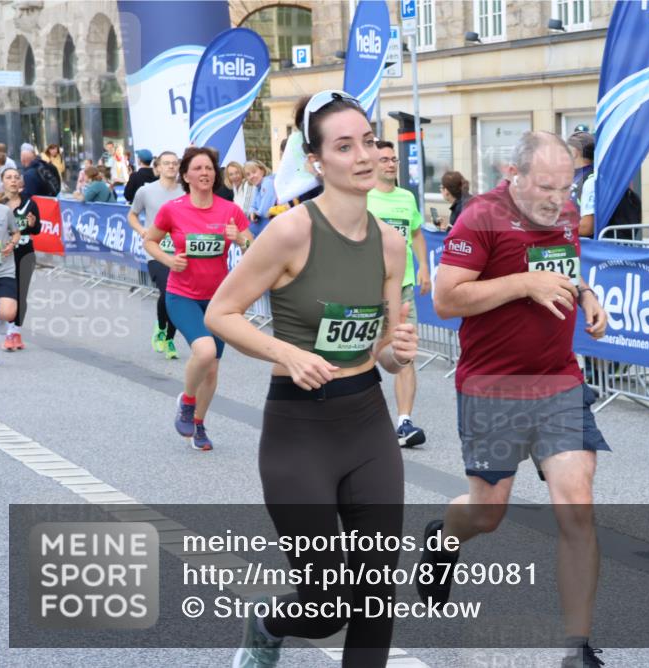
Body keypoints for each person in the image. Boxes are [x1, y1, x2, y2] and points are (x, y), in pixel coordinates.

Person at [204, 89, 417, 668]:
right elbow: (220, 313)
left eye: (369, 141)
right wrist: (287, 353)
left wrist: (395, 352)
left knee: (374, 598)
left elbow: (383, 350)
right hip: (299, 429)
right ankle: (270, 624)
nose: (365, 155)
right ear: (317, 161)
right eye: (345, 146)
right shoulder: (290, 232)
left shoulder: (392, 245)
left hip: (367, 420)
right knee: (325, 607)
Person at [424, 131, 610, 668]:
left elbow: (566, 271)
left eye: (566, 185)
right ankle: (444, 537)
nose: (558, 198)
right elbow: (446, 297)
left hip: (558, 379)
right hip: (492, 384)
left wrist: (587, 295)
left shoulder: (568, 213)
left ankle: (578, 647)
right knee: (487, 513)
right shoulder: (479, 217)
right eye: (546, 186)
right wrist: (522, 282)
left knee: (577, 504)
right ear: (514, 174)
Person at [143, 146, 254, 451]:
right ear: (186, 175)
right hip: (182, 295)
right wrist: (168, 261)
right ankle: (187, 402)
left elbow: (253, 250)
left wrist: (239, 239)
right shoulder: (173, 209)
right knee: (204, 352)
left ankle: (199, 423)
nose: (204, 173)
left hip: (219, 299)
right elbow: (149, 241)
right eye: (198, 168)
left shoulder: (229, 210)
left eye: (209, 168)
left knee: (213, 368)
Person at [368, 139, 431, 447]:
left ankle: (404, 422)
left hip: (402, 288)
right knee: (363, 355)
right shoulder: (363, 198)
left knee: (404, 354)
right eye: (384, 160)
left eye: (394, 159)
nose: (391, 164)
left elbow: (417, 232)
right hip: (366, 289)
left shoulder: (406, 198)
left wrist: (423, 267)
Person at [130, 151, 185, 360]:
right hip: (156, 251)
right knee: (167, 290)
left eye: (174, 163)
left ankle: (169, 337)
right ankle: (162, 327)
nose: (171, 166)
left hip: (180, 251)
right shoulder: (146, 191)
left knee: (177, 297)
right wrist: (142, 231)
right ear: (158, 168)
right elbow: (132, 215)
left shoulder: (185, 192)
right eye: (166, 163)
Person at [0, 167, 41, 352]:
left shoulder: (30, 204)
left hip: (24, 252)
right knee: (2, 293)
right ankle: (3, 322)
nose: (13, 181)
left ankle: (13, 332)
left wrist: (32, 225)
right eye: (9, 177)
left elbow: (37, 229)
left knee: (20, 292)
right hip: (2, 252)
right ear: (3, 181)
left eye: (16, 177)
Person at [0, 177, 22, 367]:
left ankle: (2, 316)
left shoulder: (4, 211)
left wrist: (11, 244)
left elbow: (16, 232)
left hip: (5, 268)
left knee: (9, 314)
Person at [244, 159, 276, 236]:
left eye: (254, 172)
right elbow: (253, 205)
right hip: (263, 223)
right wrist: (252, 212)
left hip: (271, 224)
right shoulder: (257, 187)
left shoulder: (267, 183)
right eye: (248, 175)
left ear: (262, 171)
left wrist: (255, 214)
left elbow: (265, 209)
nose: (251, 176)